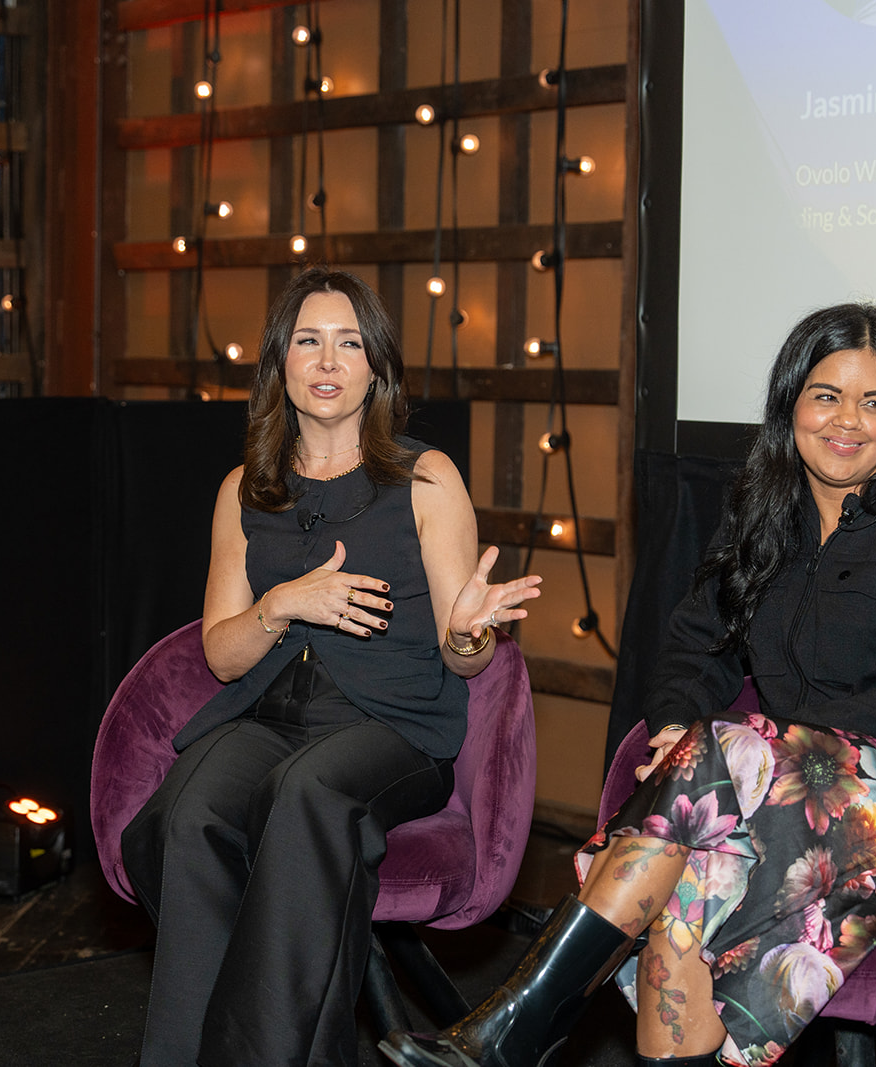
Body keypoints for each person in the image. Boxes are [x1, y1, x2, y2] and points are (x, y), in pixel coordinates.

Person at [382, 303, 876, 1067]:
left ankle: (518, 1023)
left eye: (874, 402)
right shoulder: (762, 517)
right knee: (697, 873)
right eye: (826, 395)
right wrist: (683, 727)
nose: (849, 420)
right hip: (788, 789)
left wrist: (743, 751)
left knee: (722, 774)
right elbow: (690, 647)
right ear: (791, 406)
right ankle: (521, 1027)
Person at [120, 267, 543, 1067]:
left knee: (305, 793)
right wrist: (283, 603)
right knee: (183, 818)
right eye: (307, 341)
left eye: (349, 343)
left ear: (376, 367)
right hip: (273, 714)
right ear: (280, 362)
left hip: (392, 725)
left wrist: (467, 631)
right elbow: (220, 649)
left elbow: (467, 654)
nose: (327, 360)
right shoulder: (246, 488)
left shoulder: (425, 477)